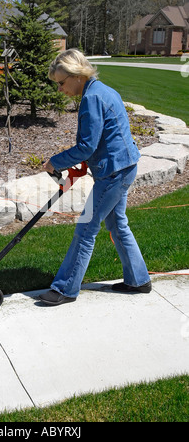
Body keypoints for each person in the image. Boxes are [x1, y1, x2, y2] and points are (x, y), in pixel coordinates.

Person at [39, 49, 151, 306]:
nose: (60, 89)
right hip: (123, 166)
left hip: (114, 172)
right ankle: (139, 279)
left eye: (61, 82)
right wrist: (85, 164)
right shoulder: (104, 90)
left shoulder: (92, 99)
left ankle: (66, 289)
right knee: (117, 224)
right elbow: (105, 139)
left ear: (77, 75)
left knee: (86, 228)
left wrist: (54, 162)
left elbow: (86, 146)